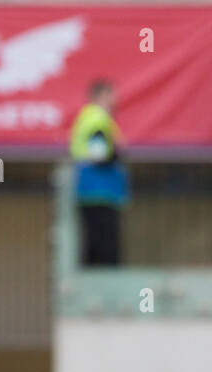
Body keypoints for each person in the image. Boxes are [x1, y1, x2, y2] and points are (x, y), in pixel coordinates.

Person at [70, 79, 128, 265]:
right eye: (112, 95)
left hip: (93, 189)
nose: (115, 100)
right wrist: (117, 153)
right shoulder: (98, 118)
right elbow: (99, 154)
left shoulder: (87, 117)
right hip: (100, 190)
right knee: (104, 246)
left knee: (94, 244)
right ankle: (105, 289)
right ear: (102, 96)